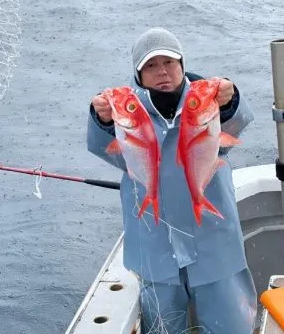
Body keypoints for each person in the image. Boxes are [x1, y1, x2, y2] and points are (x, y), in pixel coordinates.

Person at [87, 27, 257, 334]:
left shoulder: (207, 100)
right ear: (138, 74)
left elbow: (235, 127)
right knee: (163, 328)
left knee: (231, 325)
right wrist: (101, 120)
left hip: (214, 244)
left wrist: (230, 101)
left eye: (169, 62)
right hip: (155, 249)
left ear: (181, 64)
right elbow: (107, 151)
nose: (162, 72)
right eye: (150, 66)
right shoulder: (124, 110)